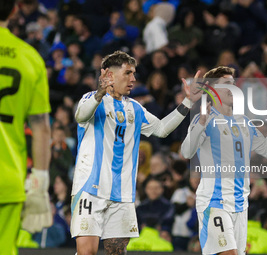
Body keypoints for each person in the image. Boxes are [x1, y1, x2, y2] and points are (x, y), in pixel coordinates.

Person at [71, 50, 196, 255]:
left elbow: (162, 129)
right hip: (90, 189)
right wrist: (100, 92)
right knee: (87, 253)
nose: (133, 79)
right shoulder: (92, 100)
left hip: (123, 193)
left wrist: (188, 102)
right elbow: (81, 116)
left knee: (117, 253)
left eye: (134, 73)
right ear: (109, 75)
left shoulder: (135, 109)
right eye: (128, 73)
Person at [181, 66, 267, 255]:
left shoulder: (244, 122)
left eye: (233, 83)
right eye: (227, 84)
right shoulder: (204, 119)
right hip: (215, 202)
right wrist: (200, 124)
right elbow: (186, 152)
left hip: (240, 203)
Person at [0, 1, 52, 254]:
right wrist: (40, 181)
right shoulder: (29, 57)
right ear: (13, 11)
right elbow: (41, 126)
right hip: (7, 178)